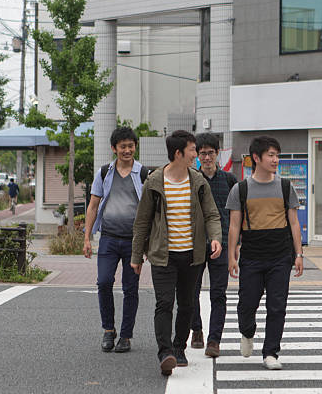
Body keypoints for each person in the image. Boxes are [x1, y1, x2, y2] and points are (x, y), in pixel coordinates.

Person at [130, 130, 222, 376]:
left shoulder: (198, 181)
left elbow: (212, 214)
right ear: (179, 153)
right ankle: (165, 352)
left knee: (187, 304)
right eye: (193, 150)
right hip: (163, 255)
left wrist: (215, 238)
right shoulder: (155, 181)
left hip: (192, 255)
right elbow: (142, 222)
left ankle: (179, 347)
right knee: (164, 302)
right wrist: (136, 256)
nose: (197, 154)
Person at [226, 135, 304, 371]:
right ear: (256, 158)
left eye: (277, 155)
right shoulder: (241, 189)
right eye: (271, 155)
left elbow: (293, 223)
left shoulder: (284, 186)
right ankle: (247, 332)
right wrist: (231, 256)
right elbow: (234, 226)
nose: (275, 159)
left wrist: (299, 254)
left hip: (280, 254)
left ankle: (271, 352)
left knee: (277, 305)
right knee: (247, 304)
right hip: (251, 253)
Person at [83, 126, 146, 354]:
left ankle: (126, 336)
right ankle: (109, 330)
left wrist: (146, 243)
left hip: (133, 241)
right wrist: (87, 238)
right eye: (123, 146)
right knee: (104, 282)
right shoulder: (104, 173)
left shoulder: (143, 174)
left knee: (131, 288)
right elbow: (93, 205)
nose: (127, 150)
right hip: (108, 238)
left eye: (130, 146)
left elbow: (150, 210)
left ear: (135, 147)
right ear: (114, 149)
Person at [189, 133, 237, 357]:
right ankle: (196, 329)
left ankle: (214, 340)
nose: (206, 157)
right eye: (202, 153)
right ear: (197, 155)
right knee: (191, 291)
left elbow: (237, 216)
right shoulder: (192, 179)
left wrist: (237, 245)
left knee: (218, 293)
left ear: (218, 154)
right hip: (195, 243)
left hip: (224, 243)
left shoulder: (229, 180)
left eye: (210, 153)